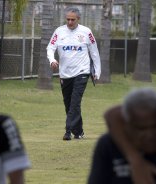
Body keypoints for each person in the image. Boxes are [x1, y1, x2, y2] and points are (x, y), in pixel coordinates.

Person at [47, 7, 101, 141]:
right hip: (65, 73)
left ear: (78, 19)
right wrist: (52, 60)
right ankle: (79, 132)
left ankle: (68, 131)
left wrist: (97, 71)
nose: (70, 22)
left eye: (73, 19)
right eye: (68, 19)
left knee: (75, 102)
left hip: (82, 72)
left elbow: (94, 52)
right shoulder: (59, 32)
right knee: (68, 103)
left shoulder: (86, 32)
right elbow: (50, 47)